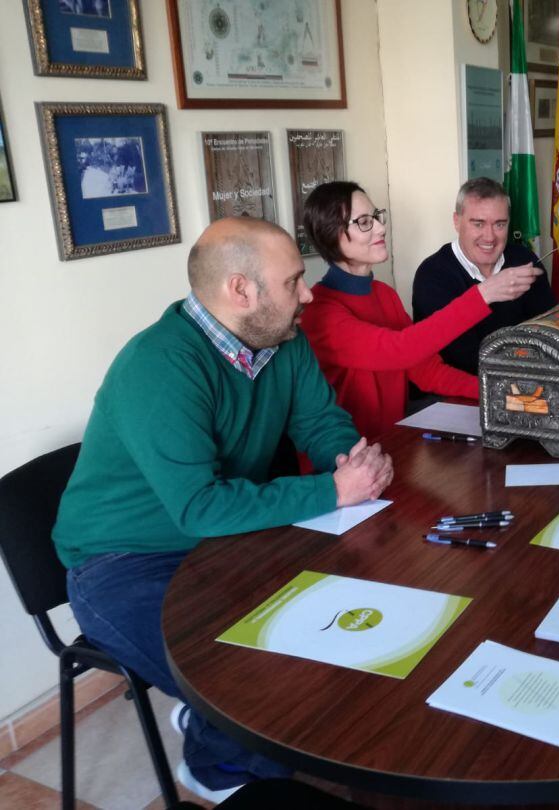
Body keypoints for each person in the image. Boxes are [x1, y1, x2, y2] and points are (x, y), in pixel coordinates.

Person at [52, 217, 393, 803]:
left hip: (225, 539)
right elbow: (200, 507)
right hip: (122, 562)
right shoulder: (158, 366)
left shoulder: (281, 336)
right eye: (293, 282)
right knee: (257, 692)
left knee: (339, 635)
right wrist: (332, 492)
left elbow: (318, 420)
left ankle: (219, 730)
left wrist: (351, 459)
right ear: (241, 291)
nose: (308, 294)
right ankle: (216, 761)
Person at [300, 181, 544, 438]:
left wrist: (498, 392)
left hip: (392, 444)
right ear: (331, 234)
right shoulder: (321, 312)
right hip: (344, 460)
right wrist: (483, 294)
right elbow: (400, 350)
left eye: (376, 216)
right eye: (364, 222)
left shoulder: (383, 293)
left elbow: (425, 370)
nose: (381, 227)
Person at [412, 178, 556, 375]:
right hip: (457, 397)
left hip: (529, 384)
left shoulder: (525, 259)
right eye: (478, 224)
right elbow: (463, 359)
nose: (489, 237)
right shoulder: (432, 275)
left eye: (499, 224)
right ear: (457, 221)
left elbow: (550, 334)